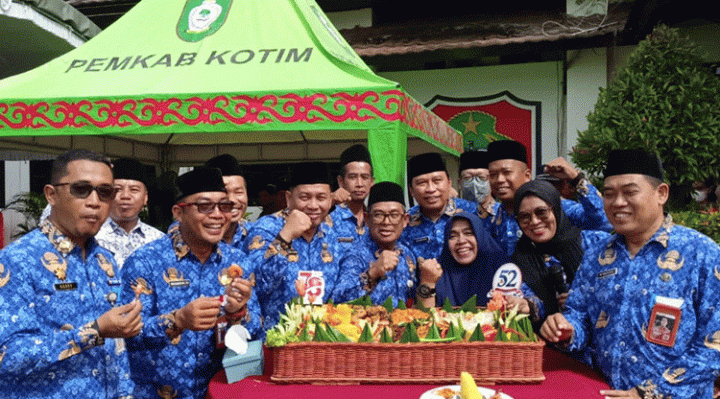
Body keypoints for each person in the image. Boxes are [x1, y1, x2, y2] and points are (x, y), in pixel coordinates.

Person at [540, 149, 720, 398]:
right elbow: (578, 314)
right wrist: (567, 330)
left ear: (661, 194)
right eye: (610, 194)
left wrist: (648, 393)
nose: (617, 202)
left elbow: (713, 347)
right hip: (602, 391)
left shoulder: (702, 253)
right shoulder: (598, 255)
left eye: (630, 192)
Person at [0, 149, 141, 399]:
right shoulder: (17, 260)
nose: (94, 202)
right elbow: (8, 355)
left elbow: (116, 348)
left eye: (105, 192)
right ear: (51, 195)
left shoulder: (104, 260)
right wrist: (93, 331)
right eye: (81, 189)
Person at [122, 166, 261, 399]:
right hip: (157, 393)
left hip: (218, 392)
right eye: (205, 206)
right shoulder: (145, 261)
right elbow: (128, 334)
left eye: (224, 206)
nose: (217, 215)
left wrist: (238, 313)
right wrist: (177, 321)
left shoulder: (238, 262)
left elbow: (256, 334)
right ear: (179, 212)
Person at [244, 162, 342, 331]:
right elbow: (258, 285)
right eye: (304, 198)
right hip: (275, 340)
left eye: (321, 198)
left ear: (331, 200)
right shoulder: (266, 228)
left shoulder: (330, 235)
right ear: (289, 198)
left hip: (319, 341)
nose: (313, 205)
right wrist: (285, 236)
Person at [487, 140, 611, 255]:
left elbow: (603, 221)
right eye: (493, 175)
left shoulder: (554, 206)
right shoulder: (491, 218)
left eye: (507, 172)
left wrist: (576, 178)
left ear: (527, 176)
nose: (499, 180)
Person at [511, 180, 609, 326]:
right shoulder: (521, 259)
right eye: (525, 217)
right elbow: (535, 301)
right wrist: (529, 306)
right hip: (554, 338)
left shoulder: (595, 242)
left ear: (556, 209)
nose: (535, 221)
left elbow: (621, 288)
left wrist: (583, 299)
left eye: (541, 212)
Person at [333, 181, 415, 306]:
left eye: (394, 215)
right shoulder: (355, 255)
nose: (386, 222)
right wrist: (372, 273)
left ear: (405, 220)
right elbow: (339, 300)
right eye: (378, 215)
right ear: (367, 219)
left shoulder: (408, 254)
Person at [416, 211, 509, 308]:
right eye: (452, 236)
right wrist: (428, 283)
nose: (461, 241)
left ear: (480, 236)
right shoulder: (436, 272)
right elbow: (423, 318)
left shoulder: (500, 269)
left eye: (468, 233)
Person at [400, 152, 478, 263]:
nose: (431, 189)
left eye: (437, 181)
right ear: (411, 190)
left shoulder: (472, 213)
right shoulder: (405, 223)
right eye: (422, 183)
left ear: (449, 182)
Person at [95, 157, 164, 269]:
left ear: (145, 198)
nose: (125, 196)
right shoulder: (92, 237)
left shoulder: (159, 240)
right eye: (117, 190)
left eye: (134, 190)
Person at [330, 144, 374, 254]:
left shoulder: (376, 218)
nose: (359, 184)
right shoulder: (327, 217)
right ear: (341, 182)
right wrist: (328, 200)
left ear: (371, 182)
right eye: (352, 177)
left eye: (364, 177)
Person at [205, 154, 252, 249]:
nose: (232, 200)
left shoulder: (256, 232)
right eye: (225, 192)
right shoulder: (189, 233)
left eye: (239, 192)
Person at [458, 150, 496, 224]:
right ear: (459, 183)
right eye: (468, 178)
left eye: (481, 178)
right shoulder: (452, 214)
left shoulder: (502, 213)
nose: (474, 184)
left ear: (491, 181)